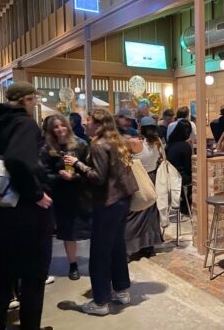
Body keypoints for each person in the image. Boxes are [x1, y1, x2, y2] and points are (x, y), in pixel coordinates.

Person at [0, 82, 53, 330]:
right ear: (25, 100)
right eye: (34, 99)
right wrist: (36, 194)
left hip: (0, 207)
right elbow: (17, 159)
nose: (35, 103)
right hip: (25, 214)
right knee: (33, 277)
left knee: (4, 276)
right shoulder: (24, 124)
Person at [64, 109, 138, 316]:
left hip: (108, 203)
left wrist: (77, 164)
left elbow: (97, 177)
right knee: (116, 246)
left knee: (100, 253)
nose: (84, 123)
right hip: (123, 200)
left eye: (88, 120)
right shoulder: (117, 141)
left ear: (98, 124)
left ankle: (100, 302)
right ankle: (121, 291)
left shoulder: (98, 145)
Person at [41, 114, 91, 281]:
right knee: (69, 232)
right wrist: (59, 176)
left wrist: (75, 176)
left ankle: (96, 261)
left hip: (83, 194)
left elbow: (91, 170)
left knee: (91, 229)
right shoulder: (48, 149)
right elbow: (44, 174)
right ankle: (73, 264)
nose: (60, 129)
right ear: (50, 130)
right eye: (55, 127)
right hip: (62, 197)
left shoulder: (81, 144)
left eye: (62, 125)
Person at [125, 117, 164, 259]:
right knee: (150, 215)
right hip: (152, 179)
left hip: (138, 179)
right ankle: (148, 246)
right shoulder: (158, 142)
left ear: (141, 127)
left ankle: (128, 249)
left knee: (133, 214)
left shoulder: (135, 143)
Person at [166, 120, 193, 214]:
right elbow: (189, 168)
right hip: (181, 178)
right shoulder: (185, 146)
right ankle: (189, 204)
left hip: (170, 177)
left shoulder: (169, 144)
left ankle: (183, 202)